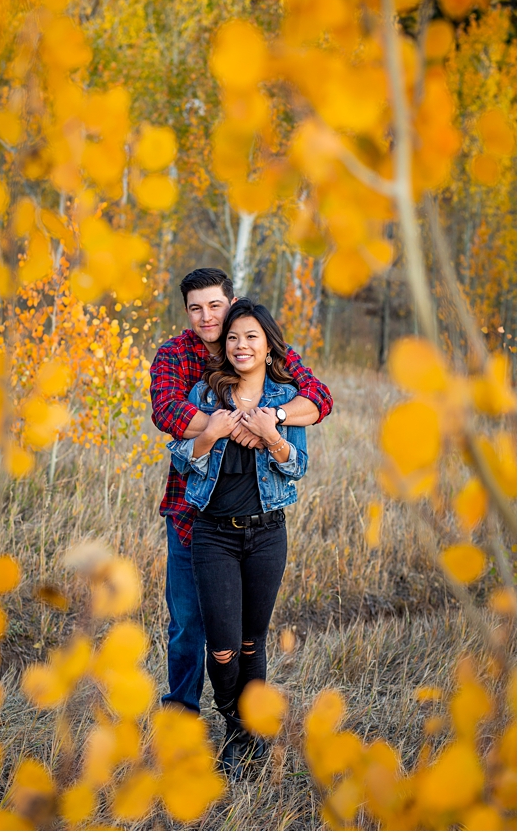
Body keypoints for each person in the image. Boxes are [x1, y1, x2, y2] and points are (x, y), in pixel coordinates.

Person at [150, 268, 331, 716]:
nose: (206, 316)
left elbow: (318, 399)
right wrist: (225, 426)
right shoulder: (176, 357)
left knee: (247, 634)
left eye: (215, 305)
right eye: (196, 308)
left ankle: (242, 724)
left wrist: (272, 423)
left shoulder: (260, 346)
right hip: (192, 511)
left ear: (231, 303)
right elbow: (169, 415)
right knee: (189, 623)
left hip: (258, 520)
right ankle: (182, 714)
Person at [166, 300, 309, 776]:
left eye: (251, 337)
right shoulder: (206, 395)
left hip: (267, 535)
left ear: (268, 346)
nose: (240, 345)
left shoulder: (285, 400)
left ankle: (242, 735)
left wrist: (272, 433)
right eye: (233, 338)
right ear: (224, 348)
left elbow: (298, 466)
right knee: (222, 647)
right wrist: (213, 433)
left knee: (252, 642)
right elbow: (184, 460)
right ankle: (233, 716)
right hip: (213, 537)